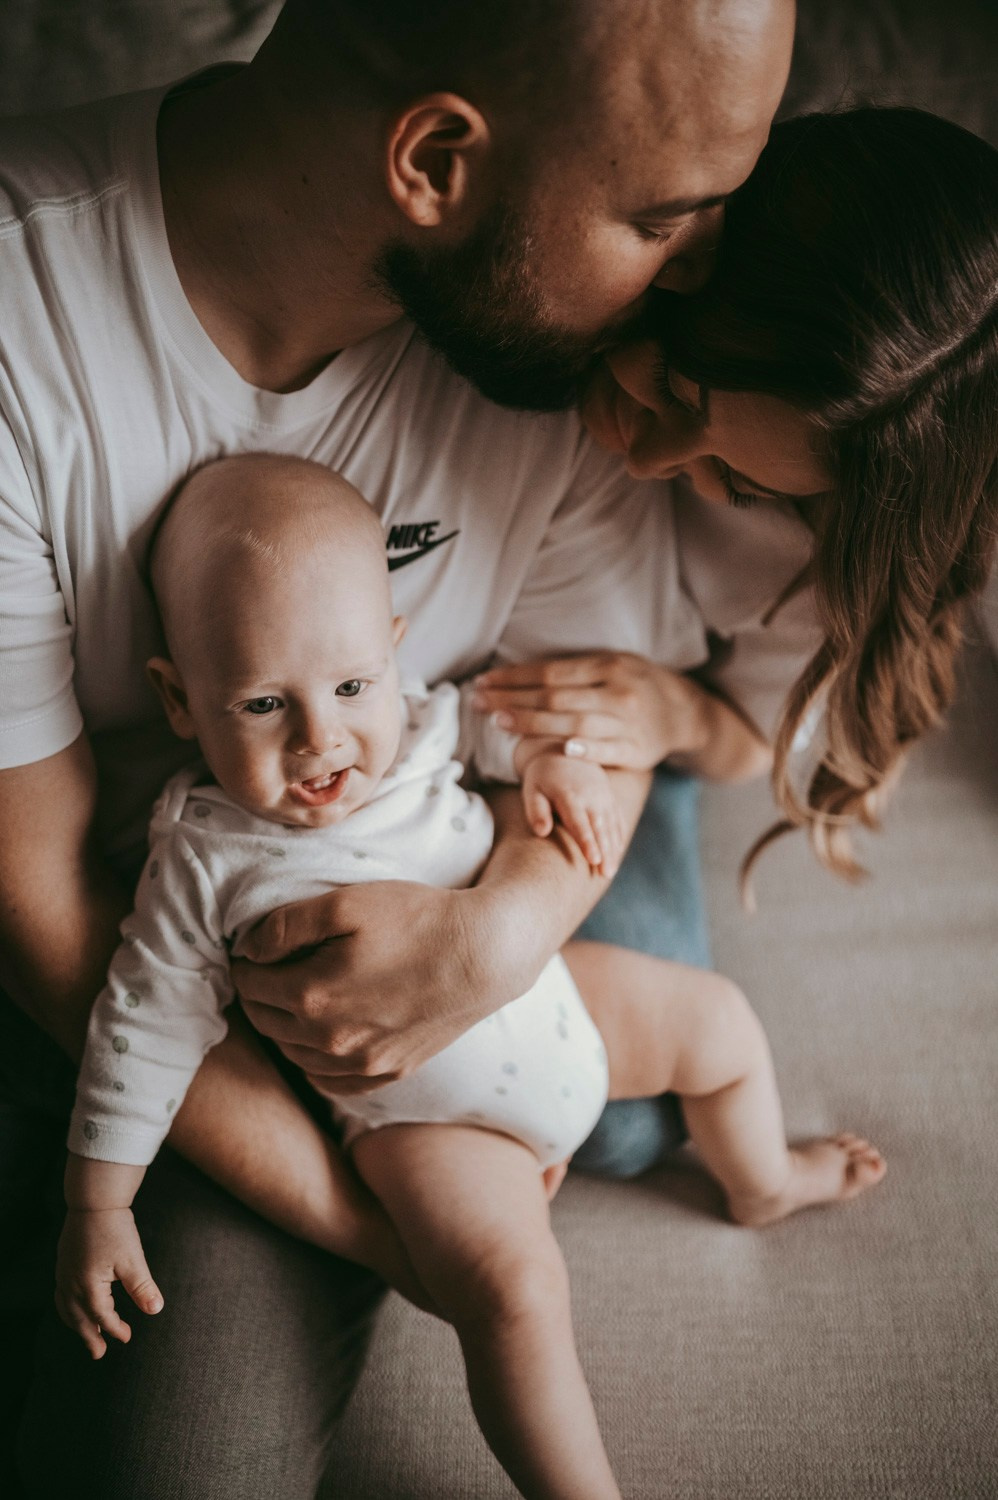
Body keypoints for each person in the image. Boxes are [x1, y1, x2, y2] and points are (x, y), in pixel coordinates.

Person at [2, 2, 799, 1490]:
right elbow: (49, 913)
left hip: (457, 923)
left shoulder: (560, 368)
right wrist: (395, 1223)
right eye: (661, 219)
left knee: (629, 1102)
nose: (694, 282)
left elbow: (592, 708)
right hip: (184, 993)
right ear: (435, 160)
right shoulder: (20, 312)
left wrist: (494, 943)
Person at [55, 453, 884, 1500]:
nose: (322, 742)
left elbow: (521, 731)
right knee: (515, 1292)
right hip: (426, 1127)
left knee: (714, 1024)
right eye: (264, 704)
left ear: (392, 657)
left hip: (560, 999)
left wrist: (552, 769)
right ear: (180, 701)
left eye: (353, 687)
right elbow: (142, 1022)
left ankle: (760, 1179)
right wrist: (100, 1201)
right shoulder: (203, 856)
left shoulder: (422, 728)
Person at [473, 108, 998, 896]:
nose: (651, 463)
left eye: (743, 487)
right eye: (677, 392)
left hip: (605, 734)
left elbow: (754, 738)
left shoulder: (826, 559)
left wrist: (675, 716)